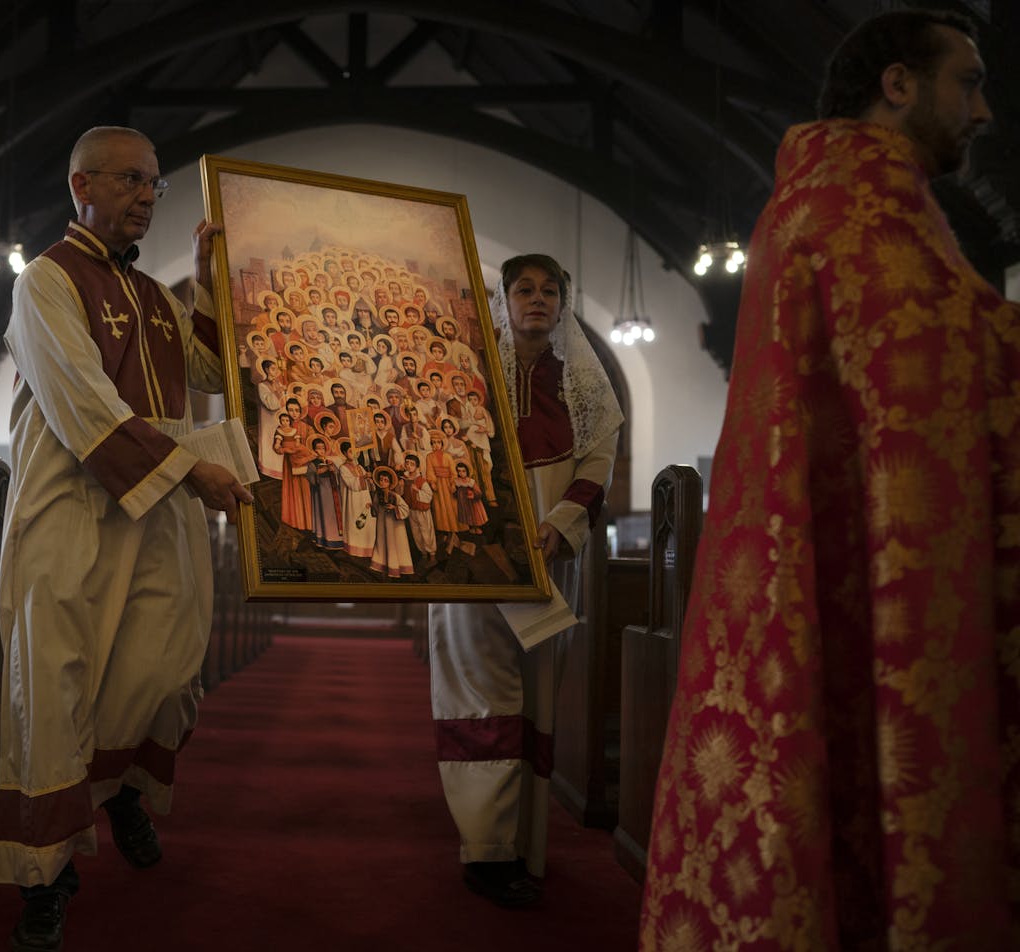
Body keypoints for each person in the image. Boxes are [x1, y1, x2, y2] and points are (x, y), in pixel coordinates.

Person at [641, 12, 1018, 949]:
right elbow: (927, 374)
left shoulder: (827, 198)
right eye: (966, 83)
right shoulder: (860, 203)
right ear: (898, 84)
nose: (984, 111)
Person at [0, 125, 253, 952]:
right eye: (133, 181)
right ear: (83, 185)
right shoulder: (45, 279)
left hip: (159, 508)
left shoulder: (154, 297)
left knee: (165, 670)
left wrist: (209, 279)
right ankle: (45, 878)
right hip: (71, 508)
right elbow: (82, 404)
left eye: (154, 185)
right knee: (56, 685)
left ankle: (123, 790)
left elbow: (211, 372)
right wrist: (194, 471)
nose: (148, 196)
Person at [428, 254, 621, 907]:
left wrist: (560, 524)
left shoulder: (584, 387)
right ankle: (484, 851)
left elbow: (599, 460)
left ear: (563, 305)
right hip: (473, 560)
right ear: (503, 301)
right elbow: (434, 451)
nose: (537, 300)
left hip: (549, 565)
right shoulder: (467, 373)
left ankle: (524, 849)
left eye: (549, 291)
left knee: (536, 704)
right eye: (524, 290)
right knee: (482, 701)